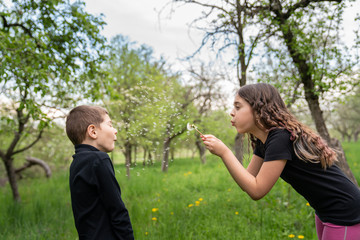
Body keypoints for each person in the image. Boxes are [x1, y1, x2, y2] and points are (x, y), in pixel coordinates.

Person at [201, 83, 360, 240]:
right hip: (325, 211)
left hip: (344, 211)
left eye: (237, 107)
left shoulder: (280, 137)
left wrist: (225, 152)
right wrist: (223, 152)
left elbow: (257, 191)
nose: (231, 113)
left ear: (258, 109)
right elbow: (248, 180)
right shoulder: (264, 141)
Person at [66, 105, 134, 240]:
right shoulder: (98, 159)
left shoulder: (77, 162)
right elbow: (117, 211)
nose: (115, 131)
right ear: (93, 131)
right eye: (110, 125)